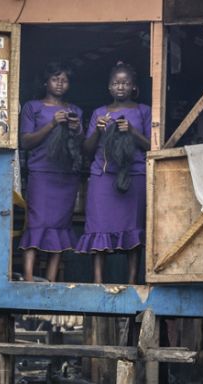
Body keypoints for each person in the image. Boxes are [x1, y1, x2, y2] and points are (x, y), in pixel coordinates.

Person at [75, 62, 151, 284]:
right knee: (99, 226)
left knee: (132, 228)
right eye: (116, 83)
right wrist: (98, 131)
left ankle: (131, 281)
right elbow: (87, 149)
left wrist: (133, 131)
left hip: (133, 177)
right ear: (109, 87)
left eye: (126, 83)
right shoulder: (99, 113)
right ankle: (98, 281)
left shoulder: (143, 111)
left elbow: (152, 146)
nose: (121, 87)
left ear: (133, 87)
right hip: (102, 177)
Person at [19, 62, 84, 282]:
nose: (60, 83)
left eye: (64, 80)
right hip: (41, 172)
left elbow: (82, 146)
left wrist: (76, 130)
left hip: (66, 176)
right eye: (55, 79)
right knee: (37, 222)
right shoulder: (32, 107)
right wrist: (52, 125)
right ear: (46, 82)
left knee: (59, 224)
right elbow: (26, 141)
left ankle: (51, 279)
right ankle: (29, 278)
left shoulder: (75, 111)